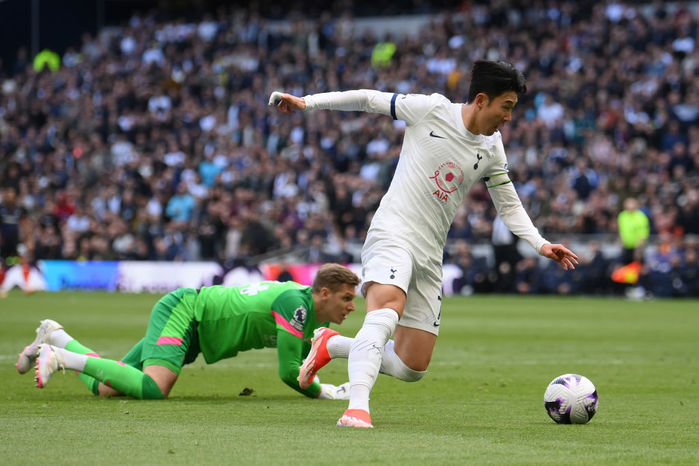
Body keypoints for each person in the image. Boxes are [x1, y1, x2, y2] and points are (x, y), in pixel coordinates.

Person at [270, 59, 579, 428]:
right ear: (481, 99)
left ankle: (331, 345)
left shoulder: (492, 147)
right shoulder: (431, 109)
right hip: (393, 233)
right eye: (506, 106)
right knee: (386, 309)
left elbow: (508, 203)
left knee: (412, 365)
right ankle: (356, 407)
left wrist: (540, 243)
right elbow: (370, 99)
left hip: (430, 254)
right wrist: (308, 102)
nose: (509, 118)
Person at [17, 263, 360, 400]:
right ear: (324, 293)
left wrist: (317, 371)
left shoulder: (318, 320)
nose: (351, 306)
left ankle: (55, 334)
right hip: (187, 312)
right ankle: (60, 357)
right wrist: (326, 392)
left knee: (106, 388)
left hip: (197, 332)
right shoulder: (295, 304)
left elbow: (302, 366)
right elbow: (290, 373)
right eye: (346, 298)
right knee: (154, 389)